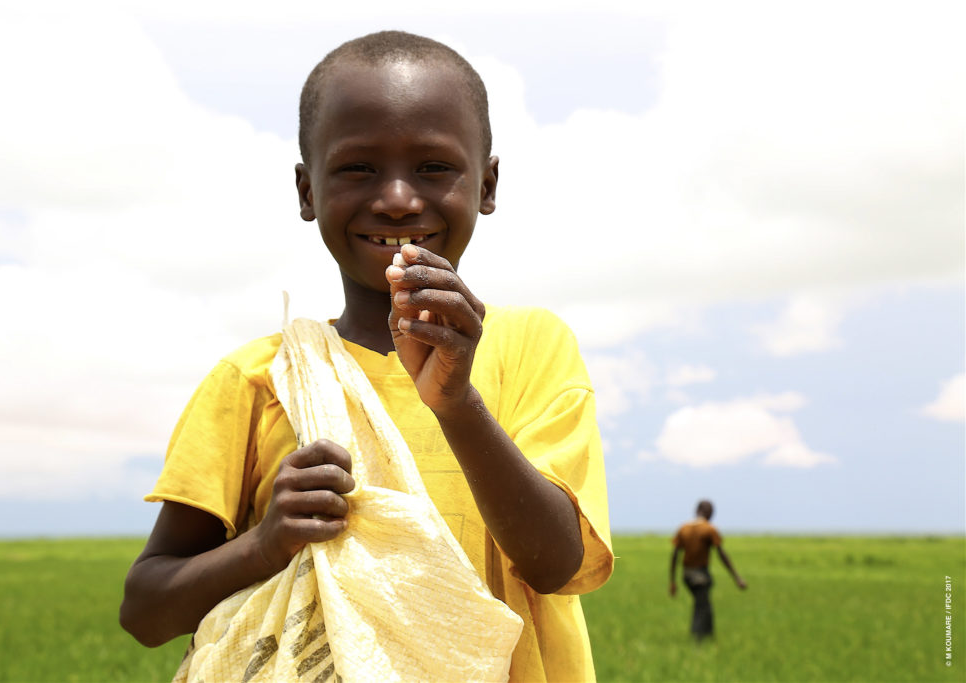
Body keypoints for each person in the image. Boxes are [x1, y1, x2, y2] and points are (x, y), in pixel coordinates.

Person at [119, 30, 614, 682]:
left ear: (487, 184)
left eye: (434, 167)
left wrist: (457, 403)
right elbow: (146, 608)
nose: (399, 198)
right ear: (307, 191)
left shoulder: (529, 348)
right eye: (358, 168)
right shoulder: (260, 381)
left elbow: (555, 564)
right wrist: (265, 543)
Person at [669, 500, 747, 641]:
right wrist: (737, 577)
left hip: (686, 574)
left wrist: (673, 581)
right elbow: (721, 554)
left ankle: (708, 638)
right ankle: (697, 639)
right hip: (699, 575)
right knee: (702, 607)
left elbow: (675, 555)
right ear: (709, 513)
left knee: (705, 606)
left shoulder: (683, 528)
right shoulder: (709, 529)